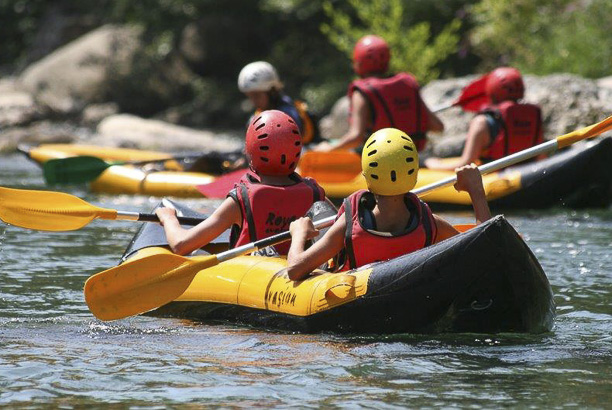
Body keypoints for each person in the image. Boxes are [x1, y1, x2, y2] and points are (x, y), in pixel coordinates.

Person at [286, 128, 491, 281]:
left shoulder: (349, 225)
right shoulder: (430, 225)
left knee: (319, 209)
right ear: (413, 175)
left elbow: (295, 270)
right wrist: (476, 192)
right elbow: (482, 253)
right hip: (406, 297)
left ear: (367, 177)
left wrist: (298, 234)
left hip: (353, 301)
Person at [156, 110, 326, 256]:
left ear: (250, 149)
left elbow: (181, 245)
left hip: (251, 277)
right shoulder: (315, 195)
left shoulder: (242, 199)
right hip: (300, 275)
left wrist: (168, 218)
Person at [315, 35, 444, 153]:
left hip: (382, 160)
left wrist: (330, 148)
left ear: (359, 63)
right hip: (415, 156)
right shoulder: (407, 84)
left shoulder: (361, 93)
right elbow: (437, 126)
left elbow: (356, 137)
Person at [424, 67, 543, 170]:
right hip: (527, 173)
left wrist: (433, 165)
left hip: (496, 179)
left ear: (491, 89)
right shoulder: (533, 116)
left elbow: (466, 164)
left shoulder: (481, 122)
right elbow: (541, 157)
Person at [238, 61, 320, 145]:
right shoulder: (257, 115)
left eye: (256, 95)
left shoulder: (287, 115)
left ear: (272, 91)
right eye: (249, 96)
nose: (253, 101)